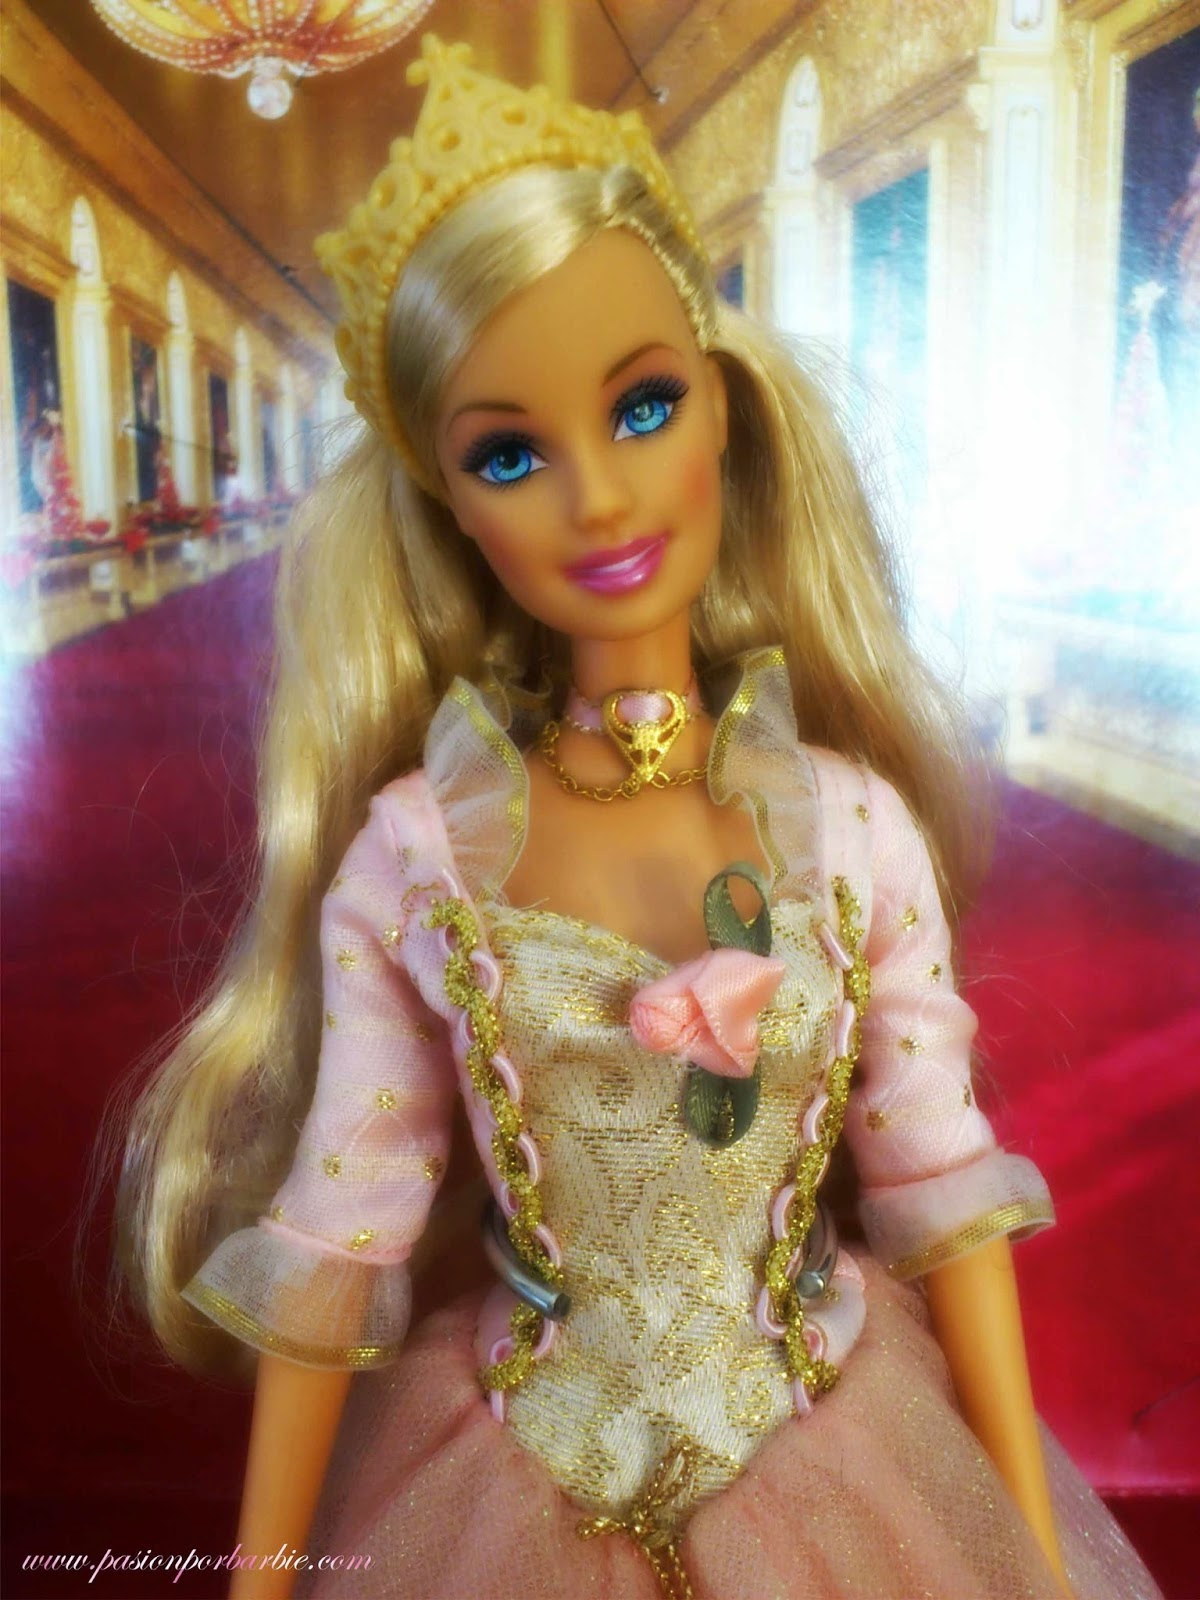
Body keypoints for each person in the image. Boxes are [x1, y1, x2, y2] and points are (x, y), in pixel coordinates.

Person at [115, 37, 1161, 1600]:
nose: (598, 499)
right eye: (510, 453)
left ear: (723, 409)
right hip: (523, 1467)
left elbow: (941, 1187)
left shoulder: (850, 827)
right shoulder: (421, 850)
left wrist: (1032, 1554)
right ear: (450, 503)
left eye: (646, 405)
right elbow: (343, 1231)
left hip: (836, 1441)